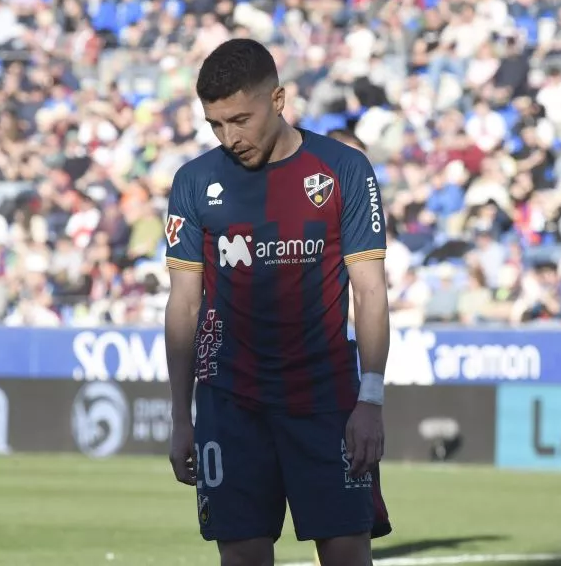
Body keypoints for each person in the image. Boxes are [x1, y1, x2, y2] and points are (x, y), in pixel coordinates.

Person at [164, 38, 392, 566]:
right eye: (215, 125)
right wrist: (182, 416)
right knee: (241, 556)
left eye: (240, 119)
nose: (229, 137)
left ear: (278, 99)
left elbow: (371, 291)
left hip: (327, 399)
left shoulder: (343, 170)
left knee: (345, 554)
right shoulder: (194, 182)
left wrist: (372, 400)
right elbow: (183, 308)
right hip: (230, 403)